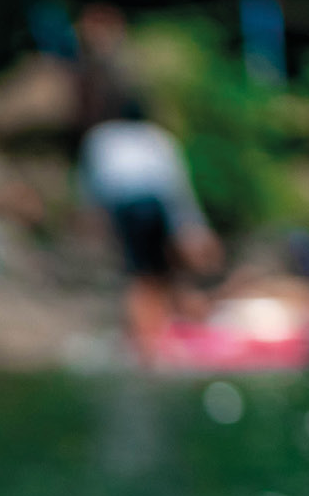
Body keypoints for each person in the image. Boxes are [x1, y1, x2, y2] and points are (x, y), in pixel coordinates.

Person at [79, 99, 222, 349]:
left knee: (139, 274)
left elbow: (93, 186)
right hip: (154, 206)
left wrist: (94, 221)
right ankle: (156, 335)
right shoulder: (158, 137)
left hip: (123, 208)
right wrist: (193, 227)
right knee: (159, 273)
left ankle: (146, 335)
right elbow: (178, 189)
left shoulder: (100, 137)